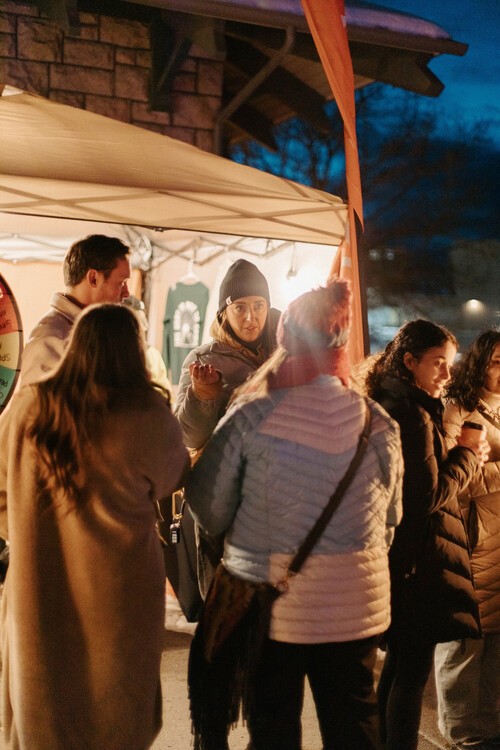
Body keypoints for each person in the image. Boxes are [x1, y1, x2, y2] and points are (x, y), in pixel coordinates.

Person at [185, 278, 403, 750]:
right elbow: (389, 520)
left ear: (284, 337)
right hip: (358, 607)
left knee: (274, 727)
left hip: (276, 606)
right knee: (355, 726)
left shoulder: (253, 415)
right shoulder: (378, 424)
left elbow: (207, 505)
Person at [0, 304, 189, 750]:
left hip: (37, 590)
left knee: (46, 708)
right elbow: (173, 476)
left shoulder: (28, 408)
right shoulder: (146, 415)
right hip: (119, 598)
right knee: (114, 713)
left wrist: (27, 532)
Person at [364, 319, 489, 750]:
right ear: (409, 361)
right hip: (416, 558)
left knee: (399, 666)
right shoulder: (411, 415)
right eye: (438, 362)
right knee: (410, 673)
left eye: (450, 363)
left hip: (402, 556)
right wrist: (467, 454)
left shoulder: (394, 402)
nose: (447, 374)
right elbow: (426, 497)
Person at [174, 258, 279, 596]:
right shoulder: (203, 359)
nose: (251, 317)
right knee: (224, 599)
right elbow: (187, 435)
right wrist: (203, 396)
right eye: (240, 308)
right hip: (222, 497)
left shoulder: (285, 350)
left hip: (276, 497)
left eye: (259, 306)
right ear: (223, 312)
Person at [434, 329, 500, 750]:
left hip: (498, 539)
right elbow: (454, 478)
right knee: (465, 635)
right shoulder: (457, 409)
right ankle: (461, 728)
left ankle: (489, 723)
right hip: (473, 537)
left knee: (495, 635)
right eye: (496, 362)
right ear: (479, 364)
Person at [20, 234, 131, 385]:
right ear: (93, 279)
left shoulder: (102, 330)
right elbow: (38, 400)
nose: (127, 293)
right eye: (121, 283)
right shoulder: (49, 340)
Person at [123, 294, 173, 401]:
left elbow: (165, 393)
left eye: (144, 320)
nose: (144, 326)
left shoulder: (152, 354)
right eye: (139, 321)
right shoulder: (111, 352)